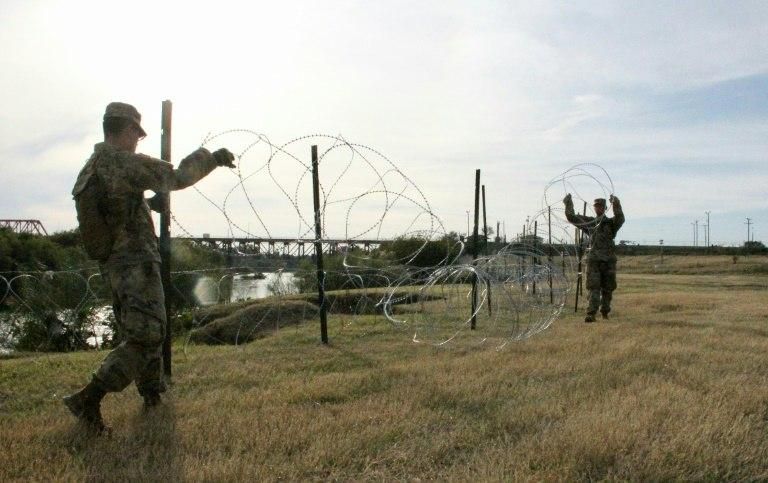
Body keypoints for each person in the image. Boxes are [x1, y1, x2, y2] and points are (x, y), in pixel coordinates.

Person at [64, 102, 235, 433]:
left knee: (145, 328)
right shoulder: (124, 163)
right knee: (148, 333)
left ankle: (152, 395)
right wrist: (212, 157)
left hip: (114, 264)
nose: (137, 141)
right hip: (136, 263)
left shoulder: (93, 166)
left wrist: (145, 204)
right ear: (127, 130)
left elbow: (115, 209)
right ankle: (89, 397)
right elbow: (176, 177)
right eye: (136, 135)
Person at [563, 193, 625, 323]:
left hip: (608, 260)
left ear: (605, 207)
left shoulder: (611, 223)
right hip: (594, 261)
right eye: (596, 206)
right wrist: (568, 203)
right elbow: (572, 217)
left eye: (601, 206)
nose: (598, 208)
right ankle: (591, 314)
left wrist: (616, 203)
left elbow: (620, 218)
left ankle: (605, 312)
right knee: (593, 287)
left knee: (608, 288)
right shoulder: (591, 223)